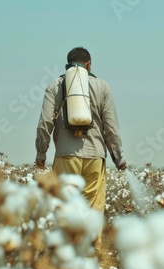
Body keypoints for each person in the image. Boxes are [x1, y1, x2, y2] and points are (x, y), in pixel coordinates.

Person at [35, 47, 126, 213]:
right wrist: (118, 159)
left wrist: (41, 154)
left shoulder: (55, 86)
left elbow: (45, 123)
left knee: (64, 211)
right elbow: (111, 128)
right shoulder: (102, 87)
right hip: (95, 158)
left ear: (67, 65)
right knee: (93, 213)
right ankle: (92, 239)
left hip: (65, 156)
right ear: (88, 65)